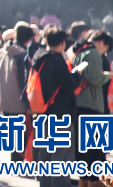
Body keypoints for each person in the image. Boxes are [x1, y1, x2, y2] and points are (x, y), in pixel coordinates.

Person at [30, 27, 77, 187]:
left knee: (45, 151)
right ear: (63, 43)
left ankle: (45, 183)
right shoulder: (57, 61)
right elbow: (69, 84)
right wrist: (76, 74)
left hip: (42, 110)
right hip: (60, 112)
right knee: (62, 153)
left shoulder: (38, 57)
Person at [74, 29, 113, 187]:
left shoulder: (79, 52)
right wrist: (107, 76)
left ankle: (82, 180)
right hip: (92, 104)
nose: (105, 52)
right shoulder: (95, 54)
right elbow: (95, 79)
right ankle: (93, 181)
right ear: (102, 43)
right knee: (94, 147)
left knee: (81, 147)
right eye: (106, 48)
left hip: (79, 103)